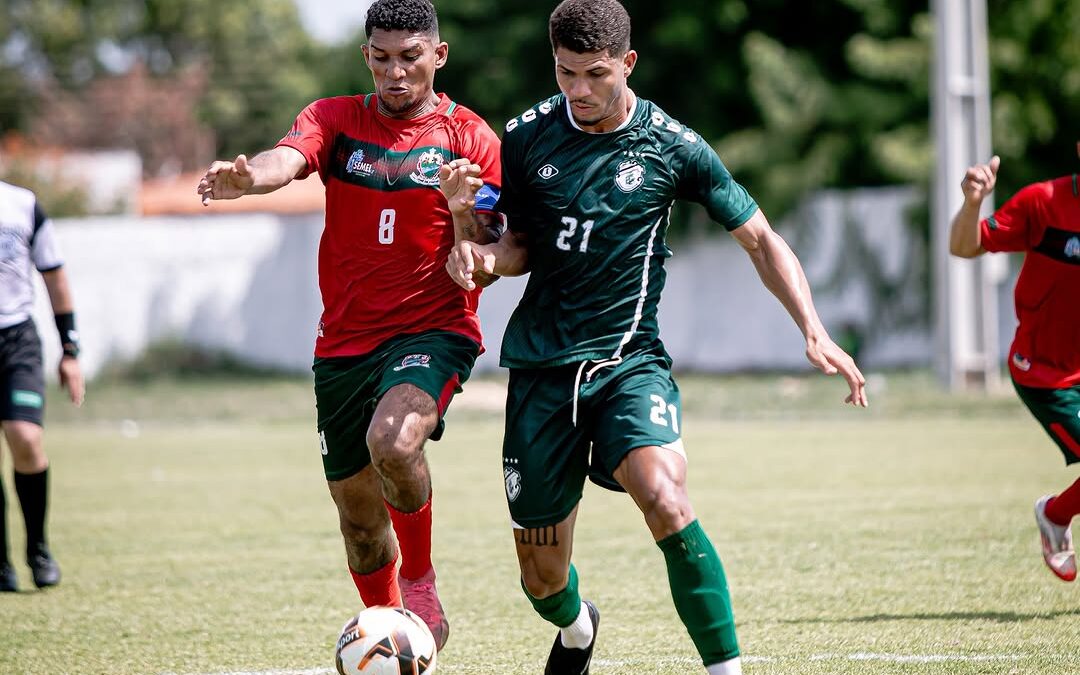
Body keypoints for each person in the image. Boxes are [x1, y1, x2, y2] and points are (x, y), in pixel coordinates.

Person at [445, 1, 867, 672]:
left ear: (627, 64)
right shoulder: (525, 138)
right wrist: (474, 246)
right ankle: (578, 628)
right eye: (564, 73)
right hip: (543, 372)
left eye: (594, 74)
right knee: (542, 578)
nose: (578, 90)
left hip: (628, 363)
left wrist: (813, 330)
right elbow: (513, 242)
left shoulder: (673, 145)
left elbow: (759, 238)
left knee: (666, 497)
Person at [195, 0, 501, 649]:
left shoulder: (472, 137)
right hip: (344, 345)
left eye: (410, 58)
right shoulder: (335, 118)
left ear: (438, 56)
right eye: (382, 58)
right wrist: (252, 180)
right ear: (367, 56)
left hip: (433, 330)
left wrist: (464, 213)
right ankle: (391, 635)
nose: (396, 74)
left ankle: (420, 582)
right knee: (360, 525)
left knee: (393, 440)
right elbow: (288, 157)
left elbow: (495, 246)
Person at [949, 144, 1080, 582]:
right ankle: (1056, 515)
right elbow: (964, 246)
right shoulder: (1042, 202)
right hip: (1046, 374)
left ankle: (1056, 515)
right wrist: (973, 204)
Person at [0, 181, 85, 593]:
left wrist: (70, 350)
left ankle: (38, 547)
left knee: (25, 437)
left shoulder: (23, 204)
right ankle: (0, 562)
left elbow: (55, 276)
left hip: (16, 340)